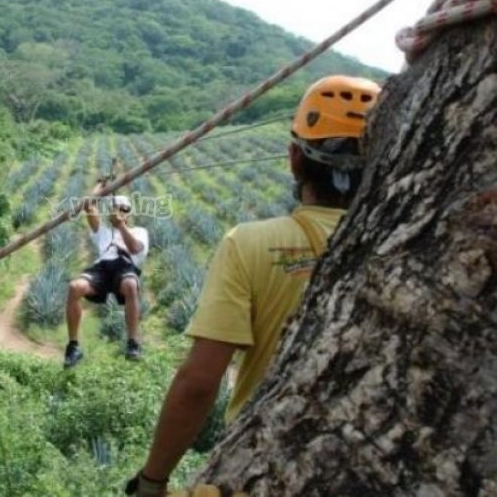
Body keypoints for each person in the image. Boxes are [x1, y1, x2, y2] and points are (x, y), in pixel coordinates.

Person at [125, 75, 381, 496]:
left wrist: (152, 481)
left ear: (295, 158)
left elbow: (200, 381)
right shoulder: (410, 245)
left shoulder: (250, 244)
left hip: (267, 461)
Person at [63, 183, 150, 367]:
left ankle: (133, 342)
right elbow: (88, 206)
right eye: (117, 209)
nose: (120, 212)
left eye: (124, 209)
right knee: (74, 287)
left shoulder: (139, 232)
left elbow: (135, 248)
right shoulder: (103, 232)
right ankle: (73, 346)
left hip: (125, 267)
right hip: (102, 268)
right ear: (111, 212)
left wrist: (121, 226)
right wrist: (99, 187)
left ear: (129, 213)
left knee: (131, 285)